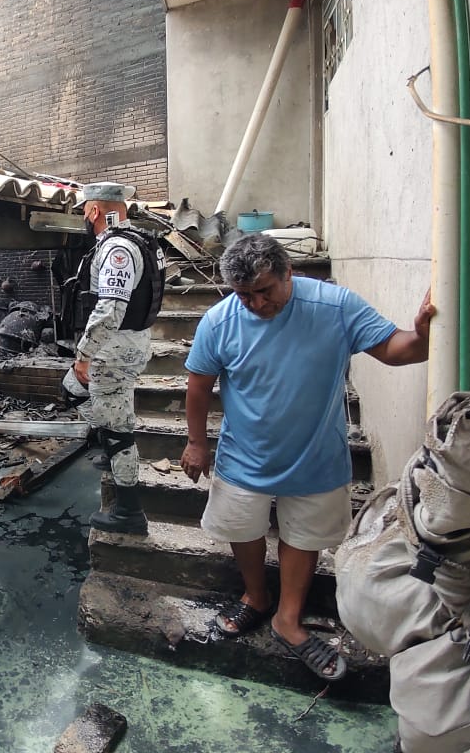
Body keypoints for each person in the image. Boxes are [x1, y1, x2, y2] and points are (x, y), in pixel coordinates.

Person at [181, 233, 435, 681]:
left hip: (316, 456)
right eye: (245, 295)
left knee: (305, 534)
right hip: (245, 456)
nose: (257, 304)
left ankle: (288, 618)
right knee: (244, 527)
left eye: (265, 291)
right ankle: (256, 597)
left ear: (288, 274)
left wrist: (424, 335)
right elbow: (199, 385)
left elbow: (398, 349)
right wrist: (197, 442)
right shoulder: (219, 322)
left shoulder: (335, 307)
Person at [62, 181, 162, 535]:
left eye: (85, 212)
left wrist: (84, 353)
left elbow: (110, 308)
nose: (85, 219)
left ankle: (129, 513)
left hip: (112, 351)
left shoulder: (118, 247)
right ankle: (106, 444)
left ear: (93, 210)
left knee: (120, 432)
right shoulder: (140, 240)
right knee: (73, 390)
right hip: (127, 345)